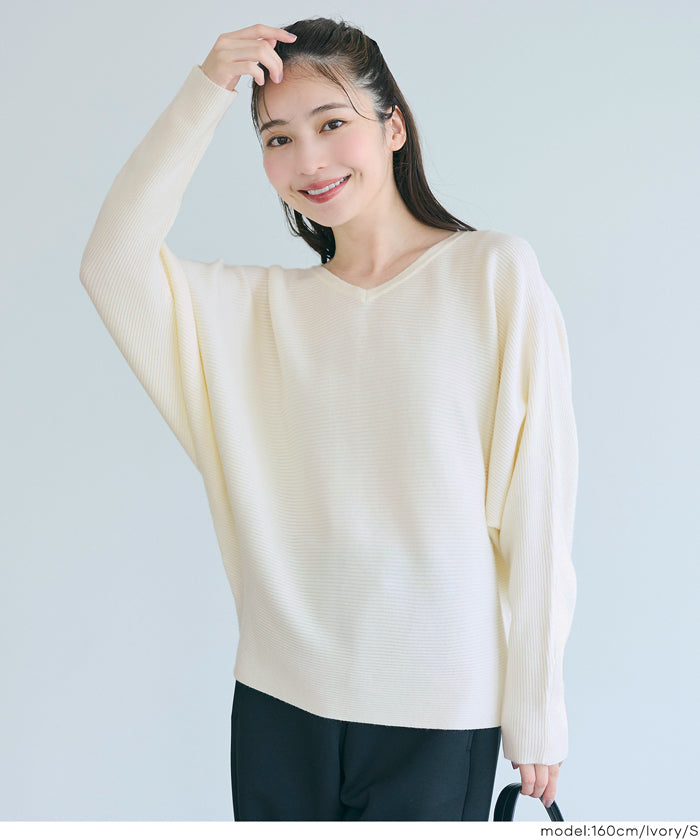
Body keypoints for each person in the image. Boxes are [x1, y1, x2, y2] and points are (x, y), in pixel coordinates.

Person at [79, 17, 578, 821]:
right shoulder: (251, 313)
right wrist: (206, 90)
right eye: (277, 138)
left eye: (332, 123)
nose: (308, 160)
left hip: (437, 708)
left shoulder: (491, 274)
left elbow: (538, 508)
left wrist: (537, 709)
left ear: (393, 127)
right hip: (278, 704)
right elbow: (112, 262)